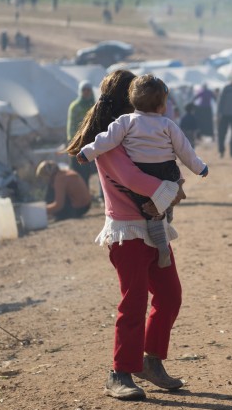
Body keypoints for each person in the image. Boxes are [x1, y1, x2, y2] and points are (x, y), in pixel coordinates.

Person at [66, 69, 188, 401]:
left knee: (169, 296)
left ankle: (150, 361)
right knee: (133, 303)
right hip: (127, 231)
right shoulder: (108, 142)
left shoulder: (138, 137)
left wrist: (173, 184)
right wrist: (171, 191)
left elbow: (165, 165)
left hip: (154, 229)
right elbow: (132, 178)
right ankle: (119, 373)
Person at [76, 74, 208, 269]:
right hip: (132, 226)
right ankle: (163, 233)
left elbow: (104, 141)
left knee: (169, 297)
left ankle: (163, 228)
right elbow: (184, 151)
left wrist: (86, 152)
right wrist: (193, 173)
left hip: (144, 196)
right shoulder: (164, 124)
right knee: (158, 212)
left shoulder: (123, 125)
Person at [67, 80, 98, 191]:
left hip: (94, 142)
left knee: (99, 168)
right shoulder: (75, 106)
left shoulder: (95, 106)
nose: (86, 92)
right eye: (84, 90)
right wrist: (73, 143)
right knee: (81, 171)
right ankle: (84, 192)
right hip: (80, 143)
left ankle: (101, 195)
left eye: (88, 90)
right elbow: (71, 126)